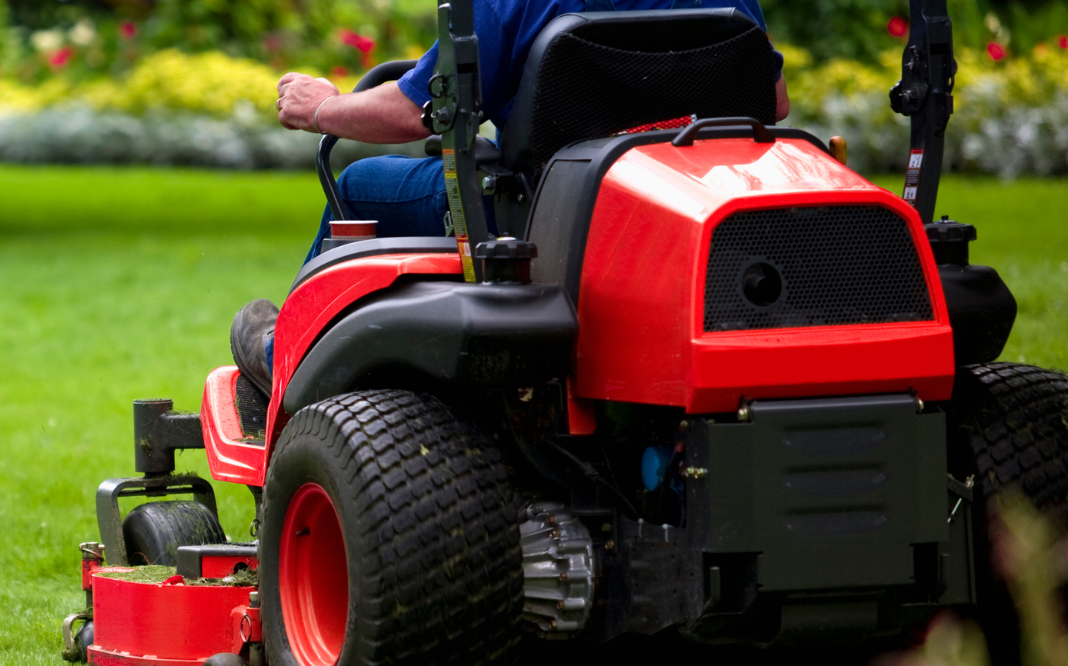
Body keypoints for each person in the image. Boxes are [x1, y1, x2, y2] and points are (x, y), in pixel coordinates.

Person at [227, 0, 792, 397]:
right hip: (687, 205)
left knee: (359, 183)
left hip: (540, 215)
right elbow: (773, 100)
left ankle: (285, 357)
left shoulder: (510, 2)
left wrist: (322, 108)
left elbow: (414, 109)